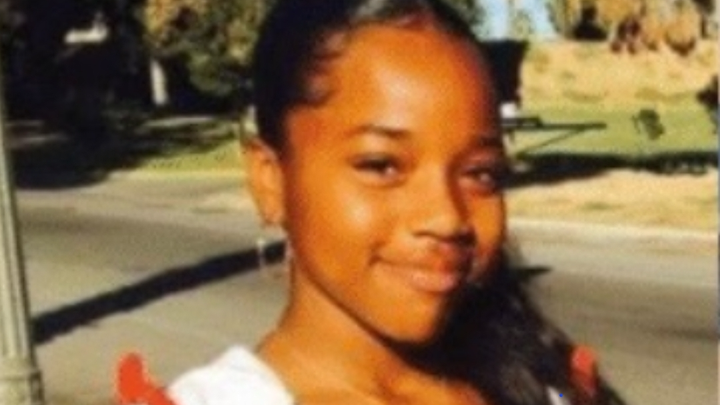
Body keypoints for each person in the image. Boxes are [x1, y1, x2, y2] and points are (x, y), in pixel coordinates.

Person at [121, 1, 629, 404]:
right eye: (382, 166)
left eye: (480, 173)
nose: (446, 217)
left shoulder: (544, 387)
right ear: (271, 181)